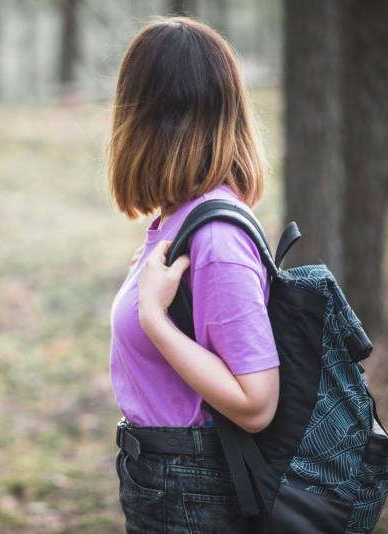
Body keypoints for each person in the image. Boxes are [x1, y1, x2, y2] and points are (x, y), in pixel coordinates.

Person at [108, 17, 280, 533]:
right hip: (163, 479)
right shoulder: (177, 218)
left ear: (150, 117)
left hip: (189, 491)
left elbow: (257, 403)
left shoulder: (216, 240)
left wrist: (154, 319)